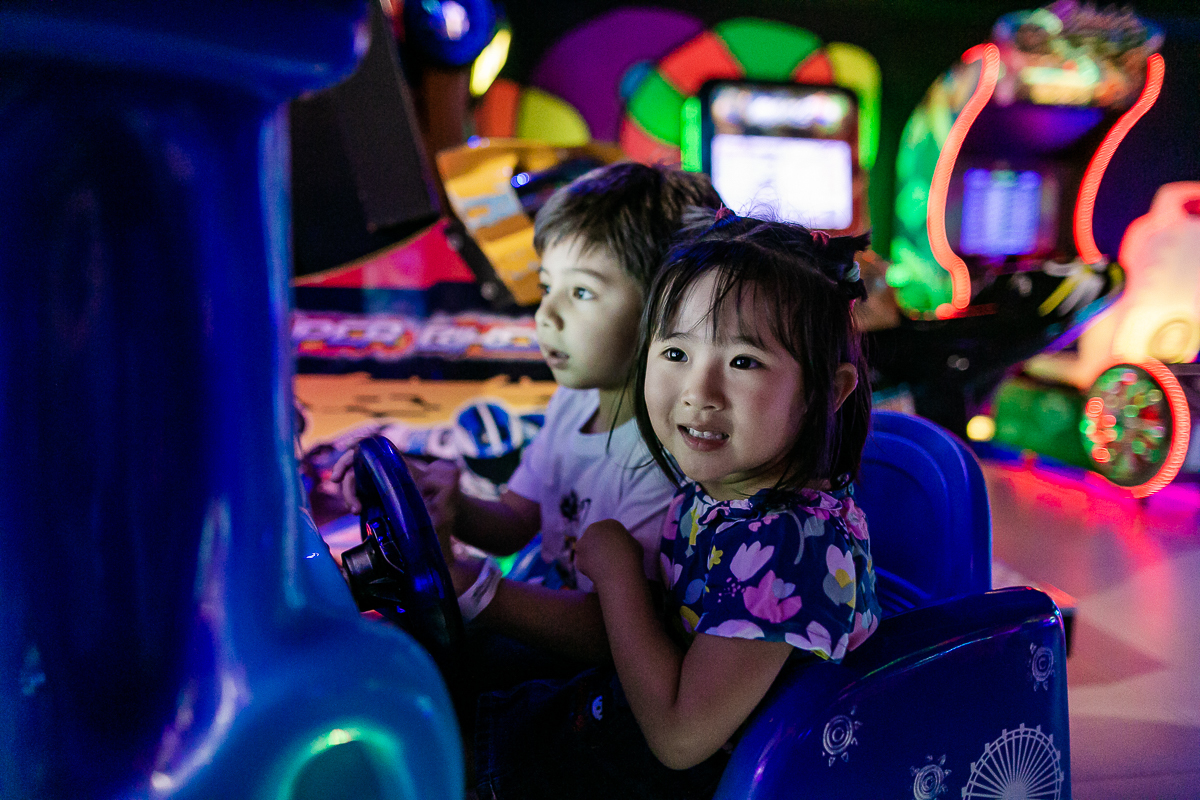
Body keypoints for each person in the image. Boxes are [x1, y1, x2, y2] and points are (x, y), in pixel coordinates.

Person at [474, 209, 882, 799]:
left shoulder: (793, 549)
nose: (698, 392)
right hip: (621, 728)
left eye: (744, 362)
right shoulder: (721, 488)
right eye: (675, 354)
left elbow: (679, 739)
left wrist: (617, 571)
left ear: (828, 391)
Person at [333, 162, 722, 674]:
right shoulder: (575, 404)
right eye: (546, 286)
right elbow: (516, 522)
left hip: (598, 688)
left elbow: (620, 636)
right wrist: (453, 505)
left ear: (667, 309)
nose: (545, 315)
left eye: (580, 293)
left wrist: (479, 588)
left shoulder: (665, 460)